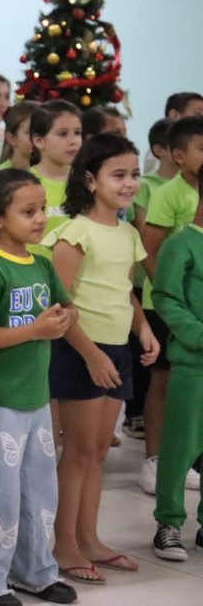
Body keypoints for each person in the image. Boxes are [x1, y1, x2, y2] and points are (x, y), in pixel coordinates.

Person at [0, 167, 78, 606]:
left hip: (36, 398)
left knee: (41, 490)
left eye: (42, 208)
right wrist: (36, 331)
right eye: (28, 211)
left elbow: (64, 308)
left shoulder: (41, 261)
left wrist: (64, 320)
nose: (41, 218)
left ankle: (35, 571)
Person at [43, 133, 158, 584]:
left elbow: (124, 292)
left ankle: (88, 538)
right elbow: (59, 303)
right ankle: (63, 544)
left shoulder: (128, 232)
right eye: (118, 175)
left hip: (115, 351)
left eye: (134, 174)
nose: (129, 183)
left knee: (96, 455)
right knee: (78, 451)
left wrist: (144, 329)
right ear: (90, 180)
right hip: (80, 351)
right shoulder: (73, 232)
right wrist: (90, 355)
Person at [139, 115, 203, 496]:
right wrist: (165, 292)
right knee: (162, 382)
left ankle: (191, 457)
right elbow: (152, 249)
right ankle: (155, 457)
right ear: (178, 155)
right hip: (165, 304)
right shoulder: (169, 193)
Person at [151, 173, 203, 561]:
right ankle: (168, 523)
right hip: (193, 364)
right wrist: (198, 334)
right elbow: (166, 298)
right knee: (181, 445)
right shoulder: (180, 244)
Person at [124, 118, 176, 441]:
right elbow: (147, 243)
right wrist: (167, 290)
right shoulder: (151, 189)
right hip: (156, 290)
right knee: (157, 372)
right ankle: (153, 453)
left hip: (187, 295)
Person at [28, 101, 82, 258]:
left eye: (77, 133)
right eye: (63, 134)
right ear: (39, 141)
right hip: (38, 276)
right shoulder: (26, 183)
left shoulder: (87, 182)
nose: (73, 141)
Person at [0, 101, 40, 170]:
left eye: (43, 131)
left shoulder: (57, 176)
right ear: (11, 138)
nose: (39, 139)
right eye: (30, 132)